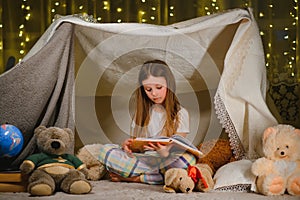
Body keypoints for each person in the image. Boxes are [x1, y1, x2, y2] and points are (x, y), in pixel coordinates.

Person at [97, 60, 196, 184]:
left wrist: (164, 153)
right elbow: (138, 146)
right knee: (106, 151)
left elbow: (178, 148)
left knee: (187, 161)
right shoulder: (141, 113)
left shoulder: (181, 114)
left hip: (167, 160)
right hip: (145, 159)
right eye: (148, 89)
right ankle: (157, 177)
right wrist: (128, 146)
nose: (154, 93)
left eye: (159, 87)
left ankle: (134, 178)